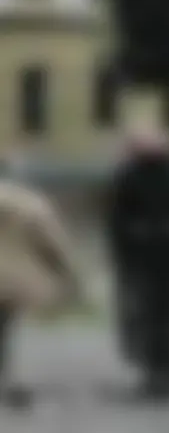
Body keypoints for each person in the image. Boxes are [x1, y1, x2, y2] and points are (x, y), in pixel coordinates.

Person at [106, 124, 169, 400]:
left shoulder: (134, 176)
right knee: (157, 316)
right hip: (161, 258)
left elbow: (118, 222)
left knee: (153, 316)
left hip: (152, 258)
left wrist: (123, 252)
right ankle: (164, 369)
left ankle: (162, 371)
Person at [0, 153, 82, 409]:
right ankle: (11, 381)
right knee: (7, 328)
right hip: (13, 282)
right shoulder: (30, 203)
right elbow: (54, 242)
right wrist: (69, 275)